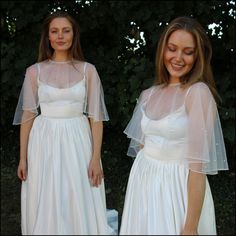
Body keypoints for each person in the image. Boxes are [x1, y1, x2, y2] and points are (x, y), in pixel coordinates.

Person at [119, 16, 229, 235]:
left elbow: (197, 169)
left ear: (198, 56)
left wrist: (190, 227)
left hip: (177, 189)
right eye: (172, 49)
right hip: (144, 184)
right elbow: (142, 147)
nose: (178, 58)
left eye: (188, 52)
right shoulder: (149, 95)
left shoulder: (197, 93)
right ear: (163, 51)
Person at [13, 11, 117, 235]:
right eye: (54, 31)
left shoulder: (88, 71)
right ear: (48, 37)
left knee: (77, 191)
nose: (60, 36)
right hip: (44, 140)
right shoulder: (34, 71)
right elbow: (28, 115)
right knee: (46, 192)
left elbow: (96, 118)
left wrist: (96, 158)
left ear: (73, 35)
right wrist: (23, 157)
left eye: (66, 30)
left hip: (78, 138)